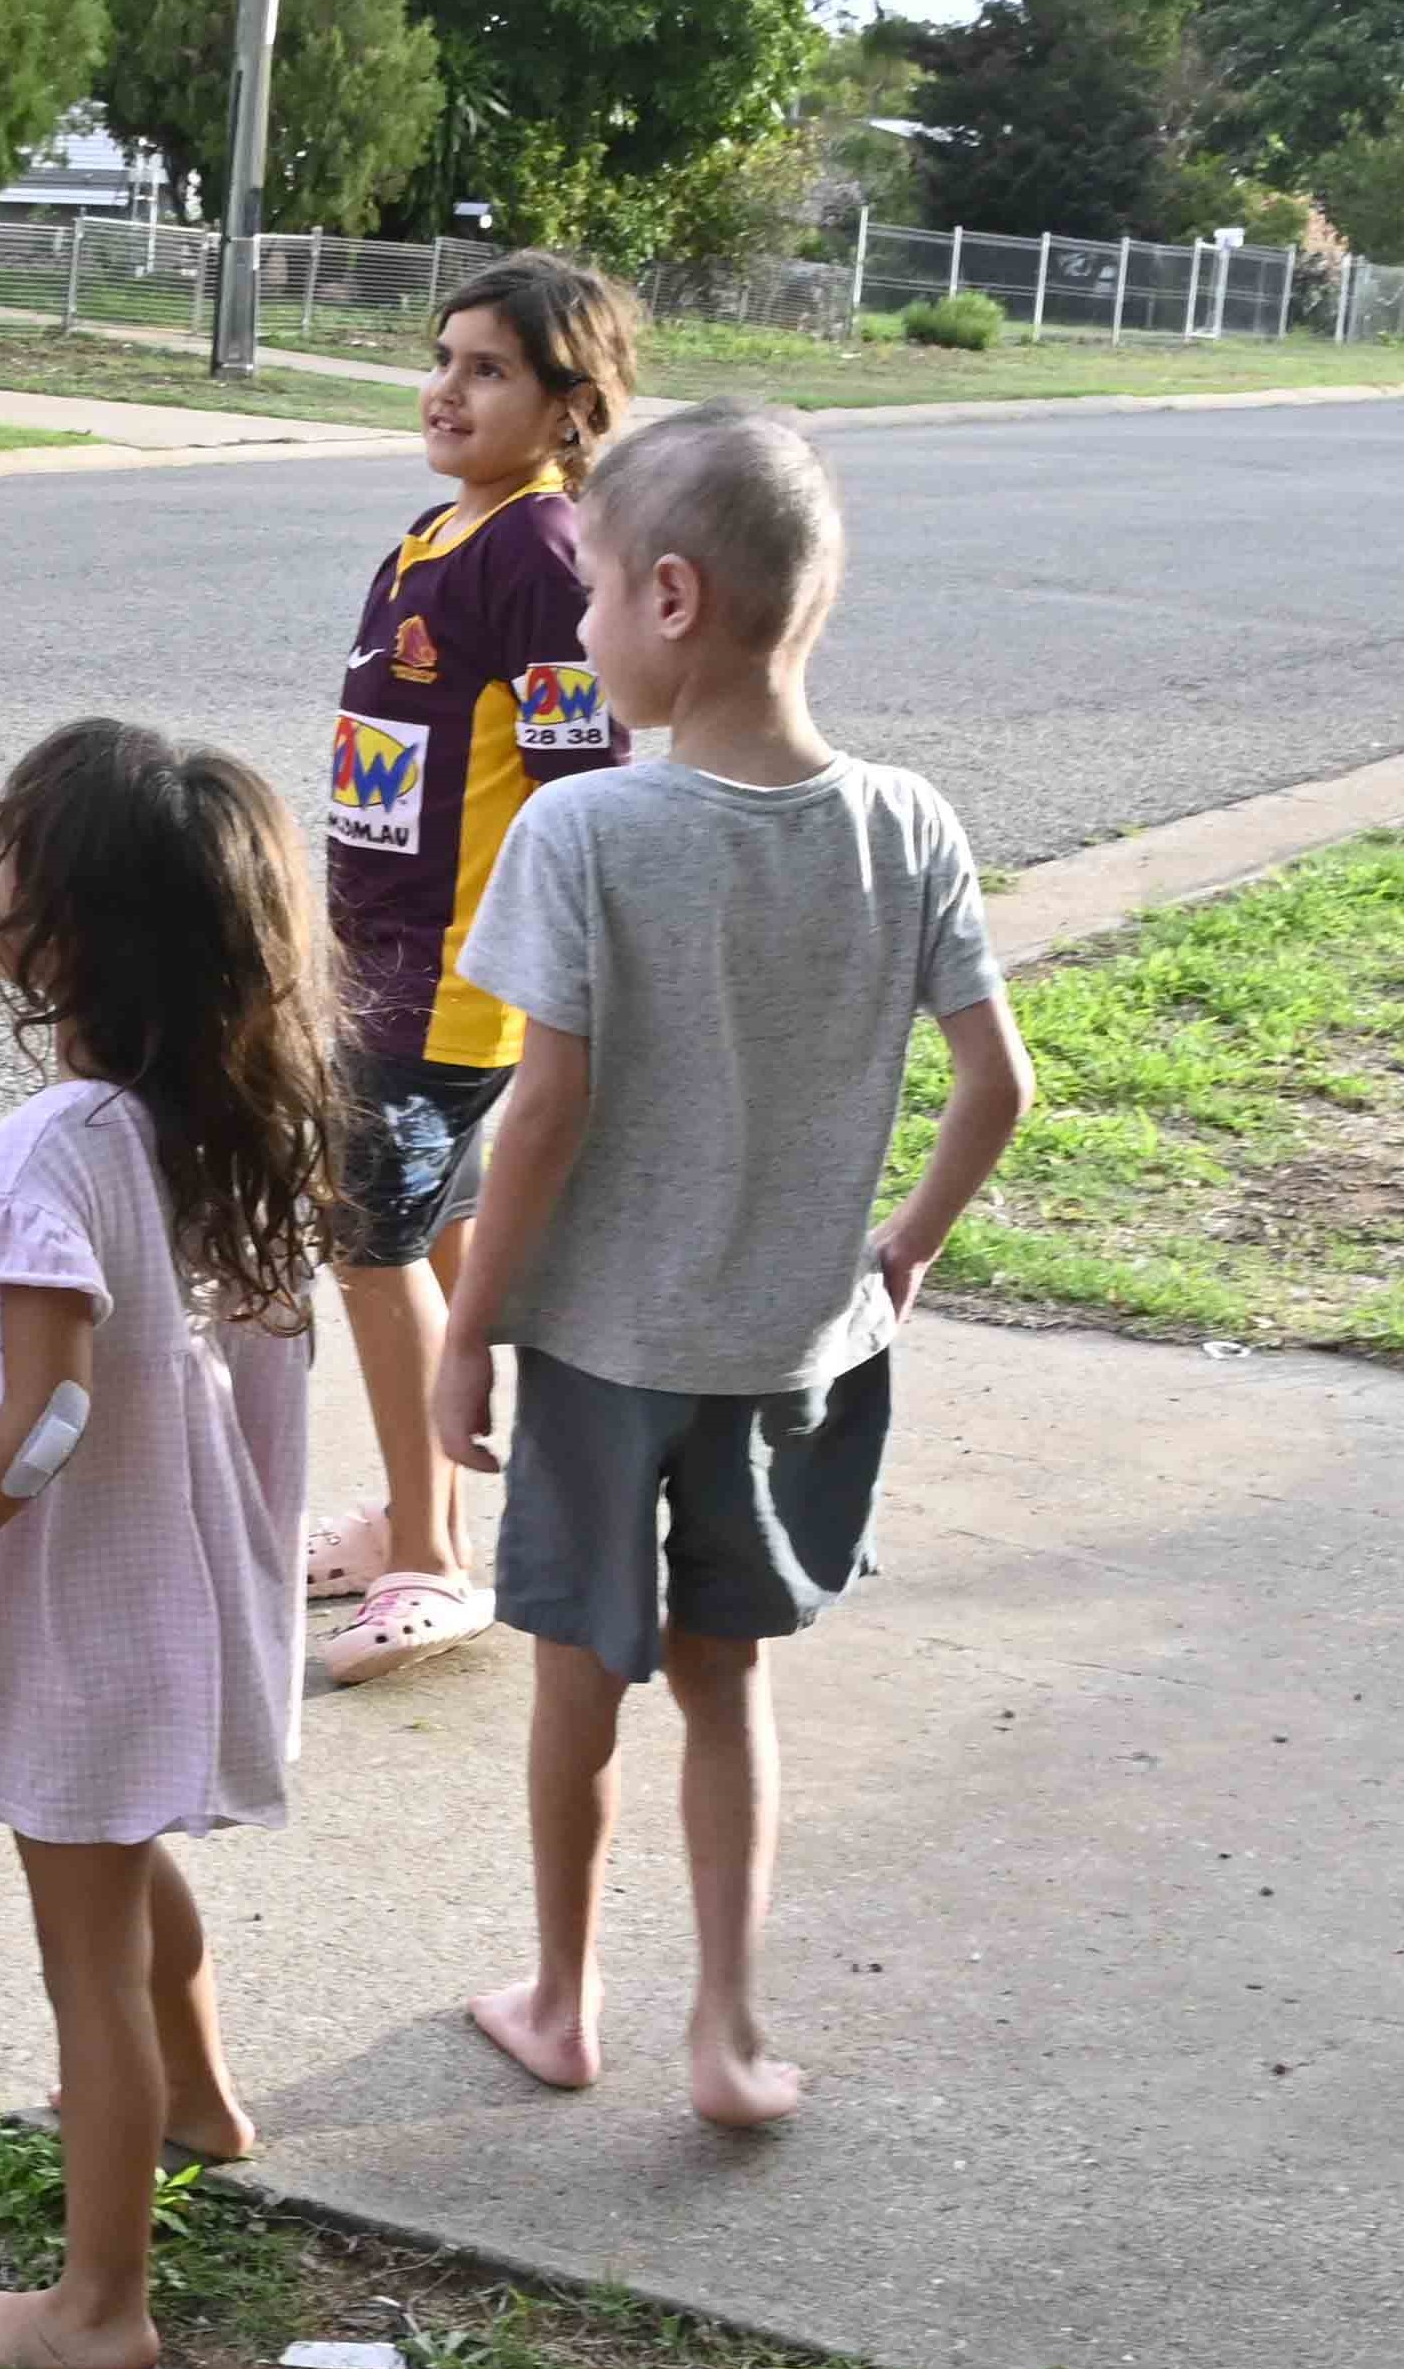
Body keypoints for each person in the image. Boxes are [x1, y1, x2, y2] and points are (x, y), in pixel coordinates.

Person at [431, 406, 1032, 2127]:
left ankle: (557, 1998)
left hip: (609, 1347)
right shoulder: (905, 822)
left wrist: (466, 1326)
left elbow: (541, 1116)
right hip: (789, 1348)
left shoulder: (589, 835)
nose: (582, 626)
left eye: (594, 590)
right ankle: (729, 2032)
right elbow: (998, 1083)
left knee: (574, 1680)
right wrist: (899, 1248)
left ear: (673, 598)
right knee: (724, 1679)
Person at [0, 718, 346, 2369]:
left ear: (57, 933)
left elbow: (42, 1421)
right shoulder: (225, 1129)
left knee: (82, 1958)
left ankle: (97, 2301)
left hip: (87, 1611)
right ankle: (195, 2092)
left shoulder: (58, 1147)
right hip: (168, 1600)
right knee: (120, 1872)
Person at [313, 252, 638, 1688]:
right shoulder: (432, 534)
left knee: (366, 1238)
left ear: (569, 407)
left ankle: (431, 1564)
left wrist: (571, 981)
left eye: (487, 369)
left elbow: (582, 779)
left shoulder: (538, 550)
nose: (445, 388)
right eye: (440, 358)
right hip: (370, 953)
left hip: (447, 980)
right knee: (426, 1231)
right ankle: (417, 1490)